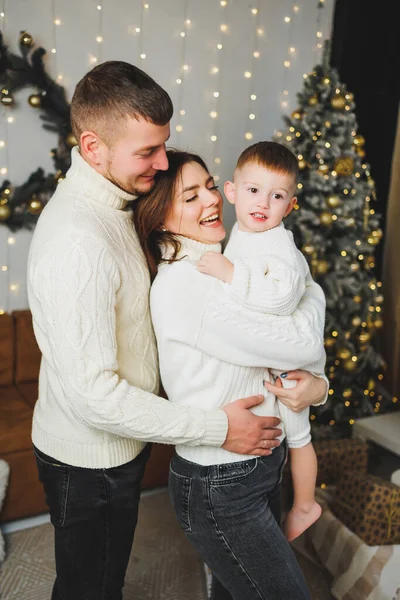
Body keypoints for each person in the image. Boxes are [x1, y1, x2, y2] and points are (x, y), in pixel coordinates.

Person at [27, 61, 286, 600]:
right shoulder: (79, 241)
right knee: (89, 588)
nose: (162, 163)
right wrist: (217, 428)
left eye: (162, 146)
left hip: (120, 443)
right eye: (147, 152)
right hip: (89, 457)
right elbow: (95, 396)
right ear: (93, 146)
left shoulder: (117, 204)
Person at [133, 149, 328, 599]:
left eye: (210, 185)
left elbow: (298, 296)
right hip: (222, 483)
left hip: (257, 465)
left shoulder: (226, 259)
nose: (212, 199)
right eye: (191, 195)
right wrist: (312, 302)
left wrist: (316, 387)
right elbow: (302, 341)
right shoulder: (190, 283)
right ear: (162, 214)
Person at [197, 140, 324, 542]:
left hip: (292, 358)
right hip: (272, 353)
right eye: (253, 191)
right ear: (232, 192)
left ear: (289, 206)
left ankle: (305, 504)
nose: (263, 203)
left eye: (277, 196)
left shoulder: (277, 243)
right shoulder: (242, 233)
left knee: (299, 434)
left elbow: (284, 298)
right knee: (288, 435)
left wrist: (231, 275)